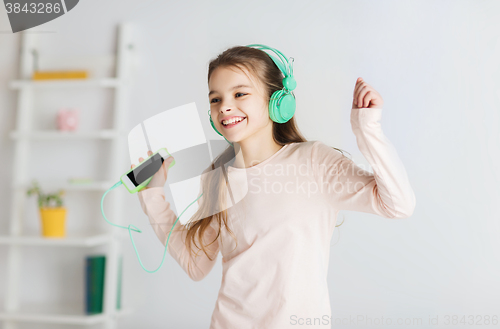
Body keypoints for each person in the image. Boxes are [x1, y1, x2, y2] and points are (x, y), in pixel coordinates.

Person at [131, 45, 416, 328]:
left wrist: (367, 129)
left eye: (239, 93)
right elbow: (196, 264)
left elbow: (398, 204)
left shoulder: (313, 161)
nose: (224, 106)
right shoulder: (217, 175)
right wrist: (152, 195)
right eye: (215, 99)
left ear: (276, 99)